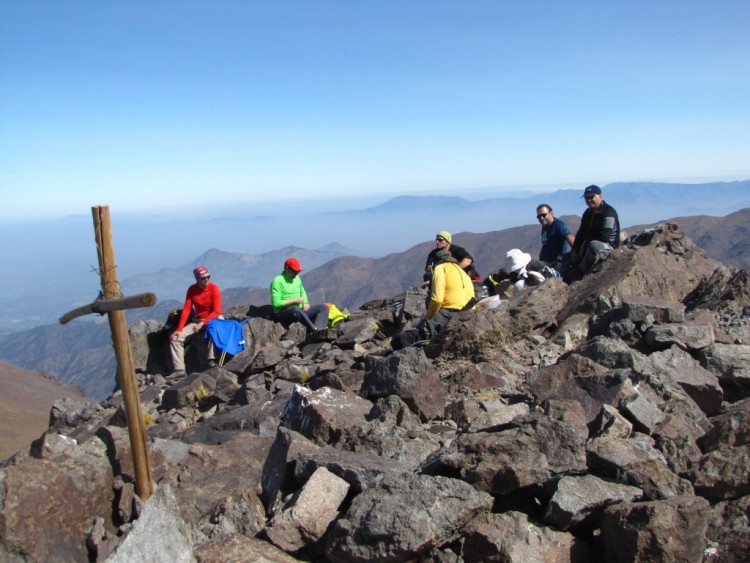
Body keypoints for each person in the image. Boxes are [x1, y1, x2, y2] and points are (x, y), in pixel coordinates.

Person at [169, 266, 223, 375]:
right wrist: (179, 329)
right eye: (203, 278)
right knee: (175, 339)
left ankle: (211, 359)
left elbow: (217, 311)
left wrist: (202, 323)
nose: (206, 279)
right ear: (197, 279)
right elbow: (187, 309)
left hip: (214, 318)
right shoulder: (192, 290)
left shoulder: (214, 288)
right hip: (198, 320)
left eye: (208, 277)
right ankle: (179, 370)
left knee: (215, 328)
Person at [422, 249, 477, 337]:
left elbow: (437, 299)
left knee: (425, 333)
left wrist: (427, 318)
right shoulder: (462, 271)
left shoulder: (440, 268)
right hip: (469, 312)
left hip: (450, 311)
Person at [570, 185, 621, 276]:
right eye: (586, 198)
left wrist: (585, 244)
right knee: (567, 257)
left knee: (593, 245)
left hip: (608, 246)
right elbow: (581, 233)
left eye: (591, 197)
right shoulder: (588, 213)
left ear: (600, 196)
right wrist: (575, 250)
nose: (588, 200)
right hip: (591, 244)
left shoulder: (609, 212)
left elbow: (604, 237)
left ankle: (581, 271)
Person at [270, 257, 329, 332]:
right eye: (294, 271)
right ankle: (313, 329)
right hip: (283, 315)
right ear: (286, 269)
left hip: (300, 311)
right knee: (295, 309)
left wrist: (305, 303)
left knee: (324, 307)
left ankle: (320, 331)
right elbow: (276, 303)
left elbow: (302, 291)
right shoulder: (277, 281)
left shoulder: (297, 278)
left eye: (297, 271)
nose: (296, 273)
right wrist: (294, 301)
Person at [536, 204, 575, 273]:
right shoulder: (545, 226)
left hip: (555, 263)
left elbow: (571, 239)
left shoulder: (558, 225)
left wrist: (574, 254)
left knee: (531, 264)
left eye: (544, 215)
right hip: (545, 262)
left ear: (551, 214)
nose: (541, 218)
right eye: (539, 216)